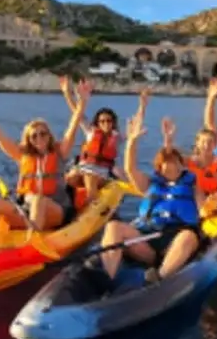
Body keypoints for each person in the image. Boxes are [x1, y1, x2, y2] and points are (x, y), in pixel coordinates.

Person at [0, 80, 89, 256]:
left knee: (38, 200)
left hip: (56, 211)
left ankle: (32, 244)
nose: (39, 138)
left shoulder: (59, 152)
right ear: (28, 139)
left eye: (43, 133)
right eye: (34, 136)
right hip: (27, 212)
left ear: (49, 136)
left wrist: (82, 103)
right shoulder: (22, 156)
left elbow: (72, 128)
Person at [88, 113, 210, 293]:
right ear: (158, 167)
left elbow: (204, 210)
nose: (169, 166)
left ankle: (157, 281)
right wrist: (132, 142)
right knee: (114, 226)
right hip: (146, 242)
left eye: (174, 162)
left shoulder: (192, 185)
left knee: (189, 237)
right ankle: (105, 279)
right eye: (164, 164)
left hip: (174, 241)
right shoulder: (150, 183)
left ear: (181, 165)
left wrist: (215, 207)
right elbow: (130, 168)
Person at [60, 78, 148, 206]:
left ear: (113, 122)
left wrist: (142, 106)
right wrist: (67, 93)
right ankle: (67, 207)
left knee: (89, 178)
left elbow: (136, 126)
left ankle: (91, 205)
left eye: (109, 121)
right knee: (67, 178)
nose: (106, 123)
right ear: (98, 123)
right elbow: (76, 112)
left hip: (101, 173)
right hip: (82, 168)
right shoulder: (91, 132)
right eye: (102, 121)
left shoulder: (117, 137)